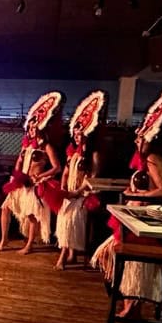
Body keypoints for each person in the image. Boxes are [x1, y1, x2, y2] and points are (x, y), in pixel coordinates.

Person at [91, 76, 162, 318]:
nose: (137, 140)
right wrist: (133, 192)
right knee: (112, 254)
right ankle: (130, 303)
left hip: (143, 219)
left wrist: (140, 194)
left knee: (126, 259)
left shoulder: (153, 159)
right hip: (133, 217)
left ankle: (132, 306)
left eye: (140, 137)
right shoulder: (144, 160)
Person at [0, 92, 64, 255]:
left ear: (40, 128)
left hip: (34, 184)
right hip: (21, 181)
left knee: (32, 215)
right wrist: (14, 176)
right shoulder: (26, 145)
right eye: (30, 127)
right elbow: (19, 161)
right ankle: (4, 240)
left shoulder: (46, 147)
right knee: (5, 208)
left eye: (34, 128)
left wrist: (40, 176)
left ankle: (29, 245)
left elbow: (57, 168)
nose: (31, 130)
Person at [54, 91, 104, 270]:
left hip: (83, 195)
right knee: (63, 220)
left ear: (87, 134)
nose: (76, 136)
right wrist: (63, 189)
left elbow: (93, 178)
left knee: (71, 220)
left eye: (79, 133)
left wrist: (77, 192)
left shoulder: (94, 154)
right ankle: (71, 254)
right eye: (75, 133)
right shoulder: (71, 153)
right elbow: (65, 173)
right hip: (69, 192)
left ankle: (63, 257)